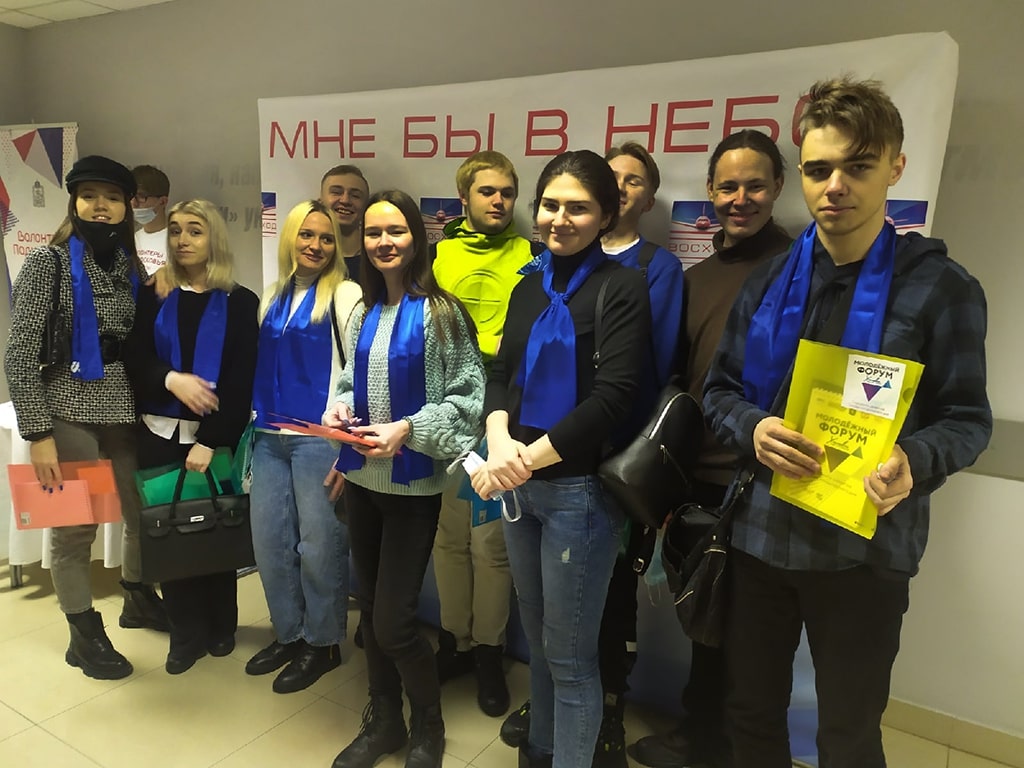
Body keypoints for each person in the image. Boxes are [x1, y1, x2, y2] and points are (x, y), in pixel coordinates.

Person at [702, 78, 991, 768]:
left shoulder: (942, 288)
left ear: (895, 166)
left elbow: (966, 419)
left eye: (858, 166)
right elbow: (719, 391)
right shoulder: (768, 280)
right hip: (760, 540)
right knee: (749, 716)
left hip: (865, 552)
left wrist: (915, 461)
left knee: (848, 735)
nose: (835, 186)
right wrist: (754, 429)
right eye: (819, 169)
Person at [499, 141, 685, 763]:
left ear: (606, 215)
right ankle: (541, 753)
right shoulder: (528, 286)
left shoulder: (622, 287)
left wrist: (527, 458)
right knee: (538, 644)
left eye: (577, 207)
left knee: (572, 659)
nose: (559, 219)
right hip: (519, 488)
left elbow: (615, 396)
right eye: (549, 204)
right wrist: (498, 438)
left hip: (578, 494)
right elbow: (502, 375)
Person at [628, 129, 791, 768]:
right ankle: (700, 741)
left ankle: (730, 748)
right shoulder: (695, 279)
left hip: (767, 480)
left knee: (754, 636)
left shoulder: (801, 270)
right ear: (710, 192)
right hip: (700, 478)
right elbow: (676, 377)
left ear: (778, 188)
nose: (740, 199)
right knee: (706, 619)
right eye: (728, 187)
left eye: (754, 186)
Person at [325, 189, 484, 768]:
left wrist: (409, 429)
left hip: (413, 490)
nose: (383, 242)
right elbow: (350, 381)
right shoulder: (362, 312)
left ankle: (428, 726)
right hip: (363, 483)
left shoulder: (443, 314)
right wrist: (338, 410)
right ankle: (385, 720)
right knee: (370, 613)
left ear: (417, 238)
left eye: (395, 231)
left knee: (394, 623)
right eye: (373, 233)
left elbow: (469, 402)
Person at [4, 155, 163, 680]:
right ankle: (83, 632)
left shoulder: (131, 266)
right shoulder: (48, 263)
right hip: (67, 406)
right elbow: (19, 354)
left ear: (126, 207)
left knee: (140, 512)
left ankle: (138, 596)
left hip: (124, 406)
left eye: (112, 197)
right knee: (75, 527)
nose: (101, 206)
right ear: (74, 202)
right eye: (90, 195)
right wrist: (38, 433)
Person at [124, 199, 259, 674]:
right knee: (172, 535)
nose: (183, 239)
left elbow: (241, 381)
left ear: (213, 238)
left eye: (195, 231)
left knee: (216, 528)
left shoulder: (240, 302)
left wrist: (211, 440)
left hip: (214, 437)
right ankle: (185, 635)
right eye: (176, 230)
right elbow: (135, 357)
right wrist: (170, 379)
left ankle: (222, 626)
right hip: (158, 432)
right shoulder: (154, 292)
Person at [431, 150, 543, 717]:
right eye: (486, 191)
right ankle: (455, 642)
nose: (498, 201)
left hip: (500, 418)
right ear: (464, 199)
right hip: (445, 414)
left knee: (490, 547)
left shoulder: (532, 257)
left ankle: (488, 654)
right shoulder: (438, 256)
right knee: (448, 540)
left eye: (506, 192)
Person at [245, 199, 362, 693]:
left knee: (319, 547)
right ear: (290, 237)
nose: (316, 246)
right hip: (269, 436)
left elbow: (362, 374)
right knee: (271, 543)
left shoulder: (346, 295)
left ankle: (323, 642)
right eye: (307, 235)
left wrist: (349, 451)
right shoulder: (272, 295)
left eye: (326, 238)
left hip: (319, 440)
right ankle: (289, 633)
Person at [320, 165, 370, 282]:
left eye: (355, 196)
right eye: (336, 192)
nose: (345, 200)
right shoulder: (309, 255)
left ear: (366, 206)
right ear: (320, 202)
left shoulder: (377, 258)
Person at [131, 165, 171, 278]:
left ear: (162, 202)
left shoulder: (178, 240)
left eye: (141, 197)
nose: (133, 203)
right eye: (131, 196)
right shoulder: (131, 240)